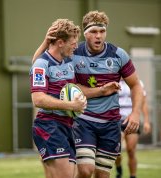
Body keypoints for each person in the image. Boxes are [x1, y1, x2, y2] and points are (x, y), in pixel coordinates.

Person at [32, 10, 144, 178]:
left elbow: (136, 85)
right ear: (85, 34)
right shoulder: (73, 54)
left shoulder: (118, 55)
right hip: (81, 122)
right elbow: (40, 64)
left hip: (109, 123)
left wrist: (136, 113)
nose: (98, 36)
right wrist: (101, 91)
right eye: (93, 32)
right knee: (84, 170)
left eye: (102, 31)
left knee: (101, 174)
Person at [30, 19, 87, 178]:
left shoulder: (68, 62)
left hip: (67, 126)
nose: (76, 47)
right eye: (73, 43)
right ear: (60, 42)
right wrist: (71, 106)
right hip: (49, 126)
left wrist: (102, 90)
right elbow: (38, 99)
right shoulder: (41, 65)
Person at [115, 79, 151, 178]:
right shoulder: (113, 80)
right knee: (116, 150)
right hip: (116, 121)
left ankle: (133, 176)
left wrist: (147, 121)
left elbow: (143, 103)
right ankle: (118, 167)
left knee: (131, 150)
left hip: (132, 120)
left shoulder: (137, 82)